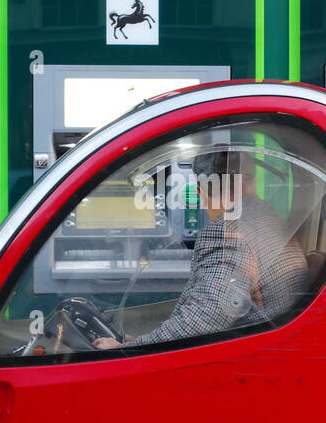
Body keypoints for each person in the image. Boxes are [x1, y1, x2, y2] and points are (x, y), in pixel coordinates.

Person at [93, 147, 309, 350]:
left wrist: (130, 349)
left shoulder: (227, 233)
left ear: (200, 191)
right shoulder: (270, 218)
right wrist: (144, 340)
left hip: (242, 354)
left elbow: (205, 318)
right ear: (252, 180)